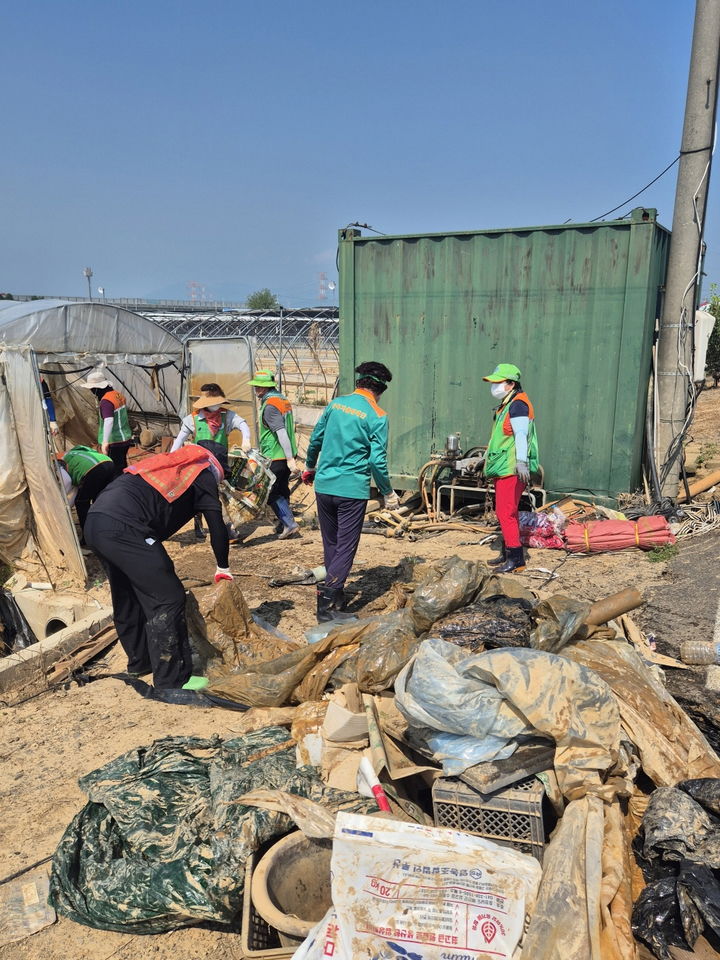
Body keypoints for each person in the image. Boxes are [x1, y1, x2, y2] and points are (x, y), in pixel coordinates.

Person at [84, 444, 233, 691]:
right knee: (169, 596)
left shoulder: (168, 464)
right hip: (125, 526)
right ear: (217, 464)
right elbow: (217, 526)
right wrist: (223, 567)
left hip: (96, 520)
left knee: (128, 592)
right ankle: (172, 679)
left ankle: (140, 661)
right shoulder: (201, 471)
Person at [303, 361, 399, 622]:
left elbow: (315, 439)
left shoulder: (335, 405)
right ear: (379, 390)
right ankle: (327, 607)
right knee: (346, 546)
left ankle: (336, 594)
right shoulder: (378, 415)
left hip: (324, 486)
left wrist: (309, 467)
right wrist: (387, 492)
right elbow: (376, 461)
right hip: (352, 491)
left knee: (331, 543)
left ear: (359, 384)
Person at [171, 383, 252, 541]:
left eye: (218, 401)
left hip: (220, 463)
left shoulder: (226, 416)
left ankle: (228, 528)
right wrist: (172, 457)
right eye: (213, 402)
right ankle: (198, 524)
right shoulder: (193, 418)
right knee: (199, 494)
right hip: (199, 464)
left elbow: (242, 424)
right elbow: (179, 438)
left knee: (224, 495)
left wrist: (246, 439)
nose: (217, 405)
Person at [482, 362, 539, 574]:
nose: (494, 387)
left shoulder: (518, 405)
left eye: (498, 383)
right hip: (502, 466)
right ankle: (508, 553)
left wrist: (521, 462)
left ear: (511, 384)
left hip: (511, 468)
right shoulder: (508, 403)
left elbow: (521, 435)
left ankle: (516, 559)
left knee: (505, 512)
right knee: (507, 511)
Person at [248, 370, 300, 539]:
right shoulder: (283, 400)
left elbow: (281, 432)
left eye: (257, 387)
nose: (255, 390)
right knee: (283, 489)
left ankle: (289, 524)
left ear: (263, 389)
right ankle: (282, 525)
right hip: (286, 453)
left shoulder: (270, 406)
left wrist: (289, 458)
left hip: (276, 455)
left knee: (271, 493)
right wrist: (291, 456)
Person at [78, 367, 133, 474]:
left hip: (115, 440)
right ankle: (122, 483)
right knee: (121, 464)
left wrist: (105, 442)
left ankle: (116, 487)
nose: (92, 392)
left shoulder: (106, 401)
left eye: (92, 389)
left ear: (98, 388)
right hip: (125, 437)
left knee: (114, 469)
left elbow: (109, 420)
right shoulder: (117, 395)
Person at [59, 445, 116, 540]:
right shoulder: (77, 452)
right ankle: (107, 528)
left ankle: (88, 537)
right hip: (108, 462)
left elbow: (67, 482)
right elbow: (75, 489)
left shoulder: (61, 464)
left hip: (93, 470)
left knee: (81, 503)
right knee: (100, 499)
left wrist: (63, 505)